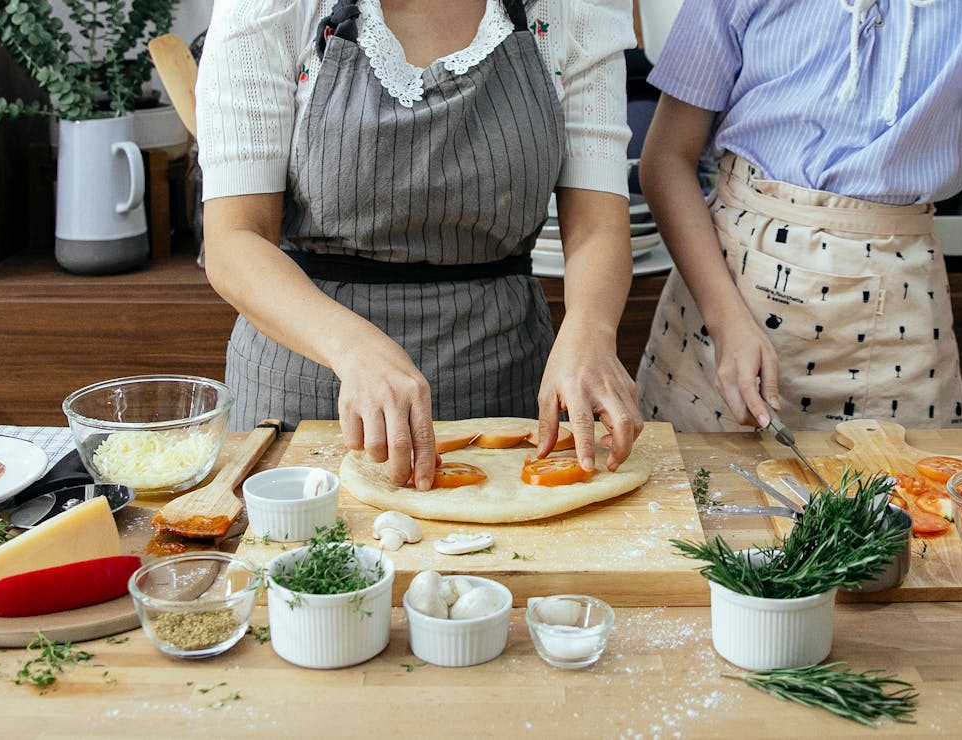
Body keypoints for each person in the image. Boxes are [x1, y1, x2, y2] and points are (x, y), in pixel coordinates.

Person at [196, 0, 643, 490]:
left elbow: (596, 225)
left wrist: (592, 330)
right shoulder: (275, 9)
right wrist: (354, 349)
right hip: (306, 395)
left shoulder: (570, 12)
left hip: (502, 389)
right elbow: (234, 238)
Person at [635, 0, 962, 432]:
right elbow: (666, 160)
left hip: (898, 315)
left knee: (908, 526)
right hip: (721, 302)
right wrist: (726, 323)